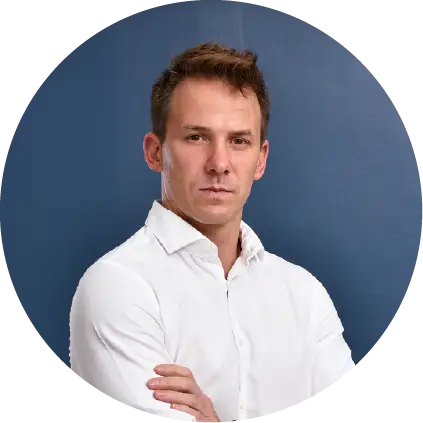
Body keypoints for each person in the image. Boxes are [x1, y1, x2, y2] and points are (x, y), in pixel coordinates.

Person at [70, 42, 355, 423]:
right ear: (155, 152)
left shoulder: (304, 294)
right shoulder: (117, 287)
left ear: (260, 159)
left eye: (238, 141)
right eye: (197, 137)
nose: (219, 163)